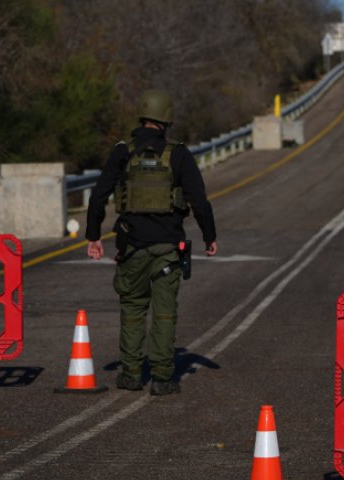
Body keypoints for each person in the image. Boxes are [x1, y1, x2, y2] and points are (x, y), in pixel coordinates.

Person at [86, 88, 218, 395]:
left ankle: (131, 374)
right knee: (164, 311)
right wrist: (210, 236)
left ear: (143, 116)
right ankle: (162, 378)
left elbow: (97, 197)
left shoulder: (122, 151)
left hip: (131, 246)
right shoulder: (180, 154)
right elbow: (199, 200)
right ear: (167, 119)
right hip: (168, 249)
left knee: (132, 308)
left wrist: (93, 236)